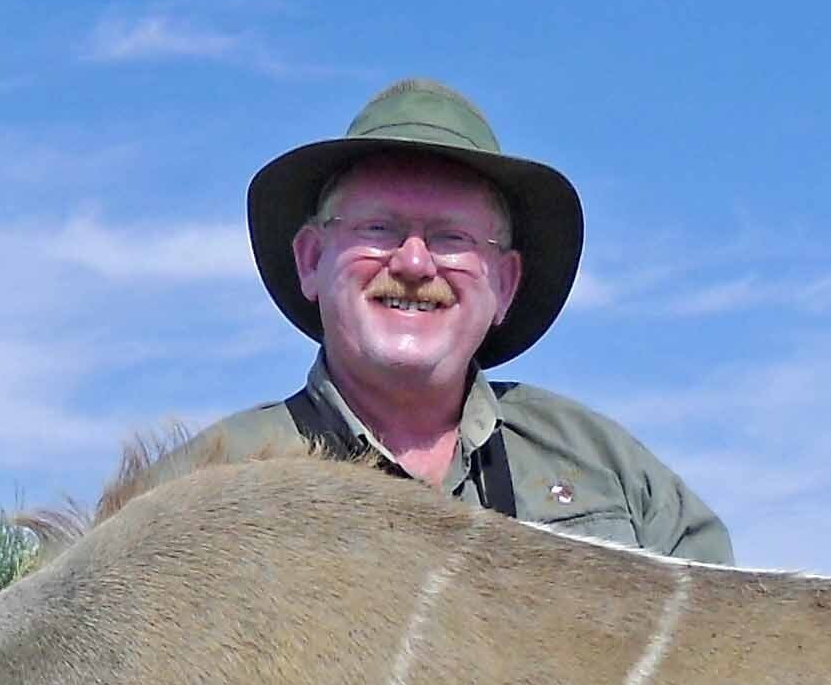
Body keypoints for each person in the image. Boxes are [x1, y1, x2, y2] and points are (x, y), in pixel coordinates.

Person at [175, 78, 729, 561]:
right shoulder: (197, 493)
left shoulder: (610, 473)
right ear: (312, 260)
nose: (414, 263)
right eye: (377, 229)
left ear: (505, 284)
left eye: (451, 238)